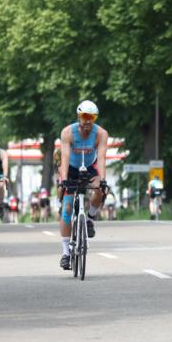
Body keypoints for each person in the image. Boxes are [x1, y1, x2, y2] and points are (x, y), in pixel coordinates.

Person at [58, 100, 109, 270]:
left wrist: (102, 180)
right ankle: (66, 253)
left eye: (92, 117)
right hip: (71, 169)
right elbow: (64, 159)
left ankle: (89, 219)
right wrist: (64, 180)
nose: (88, 121)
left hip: (90, 167)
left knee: (100, 189)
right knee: (67, 209)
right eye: (85, 117)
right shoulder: (68, 132)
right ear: (79, 116)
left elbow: (101, 159)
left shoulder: (101, 133)